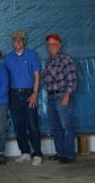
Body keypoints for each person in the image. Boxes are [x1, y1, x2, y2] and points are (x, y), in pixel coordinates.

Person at [4, 31, 43, 166]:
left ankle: (37, 153)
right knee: (18, 125)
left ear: (24, 41)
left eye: (20, 40)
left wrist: (34, 93)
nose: (18, 42)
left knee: (32, 125)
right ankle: (25, 152)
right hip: (14, 94)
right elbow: (6, 79)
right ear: (12, 42)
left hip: (29, 93)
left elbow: (37, 76)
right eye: (15, 40)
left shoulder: (32, 55)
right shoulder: (8, 58)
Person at [44, 34, 77, 164]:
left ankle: (69, 155)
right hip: (51, 96)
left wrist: (66, 96)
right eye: (49, 44)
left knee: (66, 126)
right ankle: (60, 152)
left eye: (54, 44)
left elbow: (72, 80)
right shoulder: (49, 60)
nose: (51, 46)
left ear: (59, 45)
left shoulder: (66, 59)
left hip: (61, 95)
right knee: (56, 127)